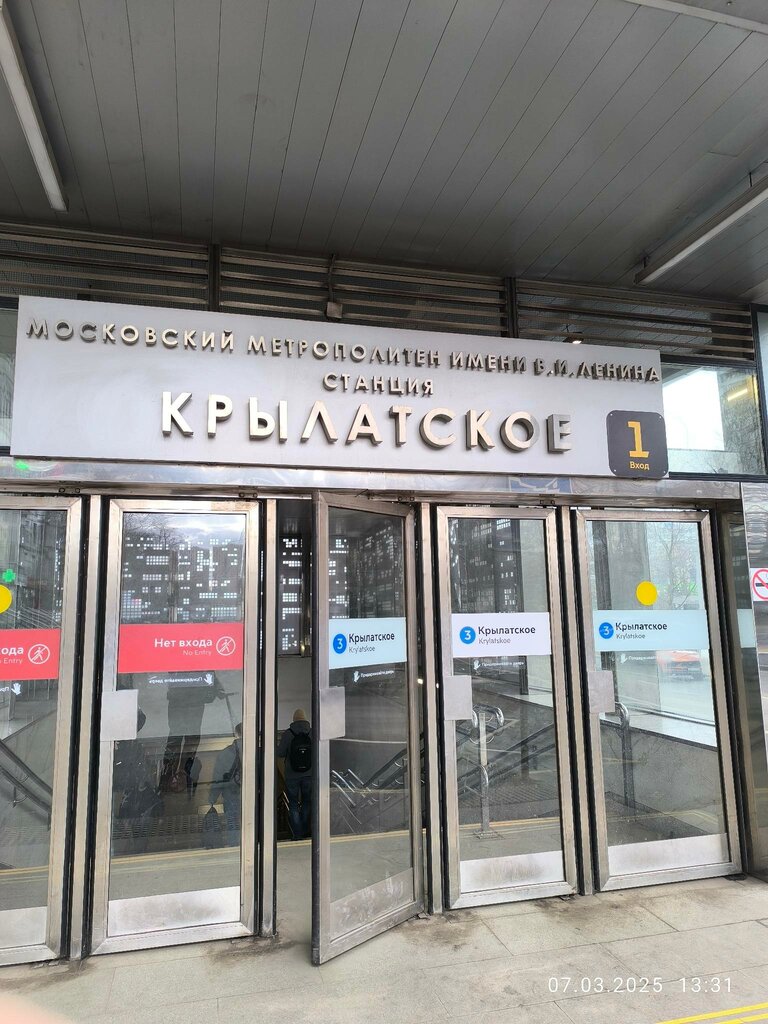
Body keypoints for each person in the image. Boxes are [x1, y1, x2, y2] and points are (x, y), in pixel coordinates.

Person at [277, 709, 312, 840]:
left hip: (292, 775)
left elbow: (280, 753)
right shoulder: (312, 732)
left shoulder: (288, 734)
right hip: (309, 774)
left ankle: (297, 833)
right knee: (307, 801)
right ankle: (305, 829)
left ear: (294, 719)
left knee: (293, 804)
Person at [210, 722, 242, 846]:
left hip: (231, 794)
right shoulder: (258, 751)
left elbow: (218, 778)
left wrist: (212, 797)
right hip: (253, 795)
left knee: (232, 822)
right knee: (254, 821)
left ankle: (235, 847)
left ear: (236, 733)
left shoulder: (225, 753)